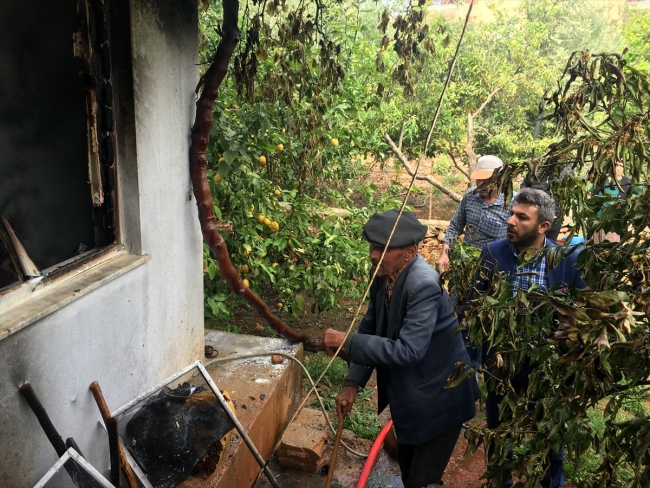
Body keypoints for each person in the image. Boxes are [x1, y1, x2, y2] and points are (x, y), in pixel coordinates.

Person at [322, 208, 478, 488]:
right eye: (372, 246)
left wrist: (347, 342)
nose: (372, 254)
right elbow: (371, 324)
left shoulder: (424, 285)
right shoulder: (383, 272)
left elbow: (408, 351)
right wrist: (352, 383)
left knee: (422, 480)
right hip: (411, 396)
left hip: (441, 399)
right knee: (408, 472)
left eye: (380, 249)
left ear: (409, 253)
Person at [474, 188, 586, 488]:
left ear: (543, 227)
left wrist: (573, 329)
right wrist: (476, 362)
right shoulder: (492, 253)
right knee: (499, 432)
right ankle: (501, 482)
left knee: (551, 435)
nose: (511, 221)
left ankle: (552, 482)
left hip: (548, 367)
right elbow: (472, 309)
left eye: (522, 217)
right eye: (512, 213)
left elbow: (583, 307)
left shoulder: (568, 258)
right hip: (502, 363)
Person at [435, 155, 513, 274]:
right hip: (466, 264)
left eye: (486, 180)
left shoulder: (512, 202)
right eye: (478, 179)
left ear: (500, 178)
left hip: (494, 268)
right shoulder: (471, 195)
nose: (480, 184)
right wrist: (445, 254)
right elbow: (455, 226)